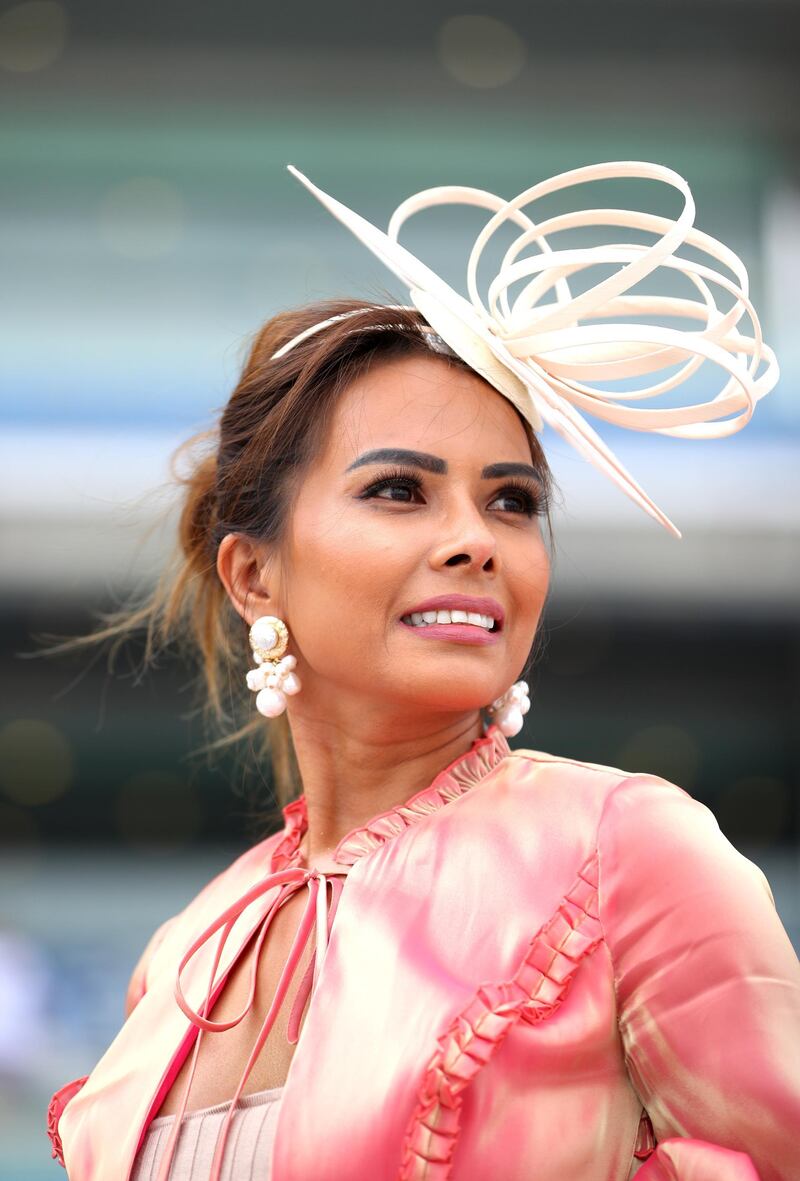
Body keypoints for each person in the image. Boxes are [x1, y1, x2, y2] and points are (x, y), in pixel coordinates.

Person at [47, 163, 799, 1181]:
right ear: (253, 571)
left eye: (512, 501)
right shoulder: (186, 950)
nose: (472, 539)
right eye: (399, 490)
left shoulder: (629, 853)